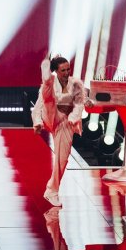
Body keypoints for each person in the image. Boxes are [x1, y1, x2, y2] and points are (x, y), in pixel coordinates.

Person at [32, 53, 85, 207]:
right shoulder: (49, 85)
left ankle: (52, 191)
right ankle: (45, 72)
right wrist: (37, 122)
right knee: (48, 94)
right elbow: (38, 107)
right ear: (56, 71)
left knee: (62, 159)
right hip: (50, 114)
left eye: (68, 69)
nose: (67, 72)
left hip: (65, 121)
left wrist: (73, 118)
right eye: (63, 70)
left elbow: (79, 104)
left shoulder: (76, 84)